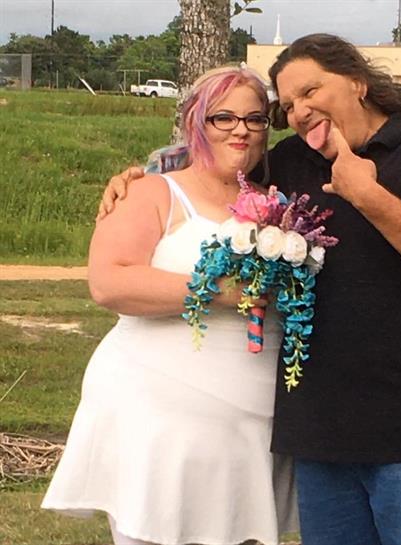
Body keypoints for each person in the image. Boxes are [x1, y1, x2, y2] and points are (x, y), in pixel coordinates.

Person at [101, 34, 401, 545]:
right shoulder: (293, 162)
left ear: (358, 82)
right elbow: (212, 164)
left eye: (311, 91)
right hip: (324, 444)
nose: (299, 112)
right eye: (288, 105)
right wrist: (141, 175)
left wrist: (365, 192)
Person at [42, 66, 298, 545]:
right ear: (195, 121)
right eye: (224, 117)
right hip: (159, 413)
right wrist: (221, 293)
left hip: (254, 420)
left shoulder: (281, 204)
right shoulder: (153, 190)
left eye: (254, 118)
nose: (241, 130)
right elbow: (109, 282)